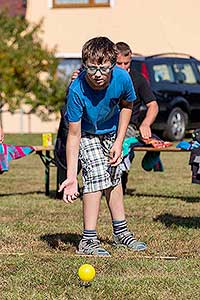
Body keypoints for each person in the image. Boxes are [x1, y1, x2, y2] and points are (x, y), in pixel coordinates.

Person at [59, 36, 147, 256]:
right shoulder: (77, 90)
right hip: (86, 133)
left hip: (110, 130)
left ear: (113, 64)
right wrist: (71, 176)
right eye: (91, 68)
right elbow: (74, 134)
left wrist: (119, 140)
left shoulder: (122, 78)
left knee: (114, 176)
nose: (98, 75)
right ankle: (88, 240)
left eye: (104, 68)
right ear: (84, 65)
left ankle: (120, 232)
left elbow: (127, 105)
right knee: (97, 175)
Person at [115, 42, 159, 193]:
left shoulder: (138, 79)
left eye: (126, 63)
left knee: (124, 140)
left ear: (131, 60)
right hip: (107, 124)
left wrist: (146, 124)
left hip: (129, 126)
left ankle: (121, 177)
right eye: (118, 63)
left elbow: (153, 105)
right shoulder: (104, 79)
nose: (122, 67)